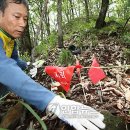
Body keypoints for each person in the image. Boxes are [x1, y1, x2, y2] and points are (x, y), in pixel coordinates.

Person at [0, 0, 105, 130]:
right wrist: (53, 101)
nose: (22, 24)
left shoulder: (9, 39)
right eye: (16, 17)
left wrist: (27, 65)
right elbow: (4, 68)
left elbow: (13, 60)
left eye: (25, 19)